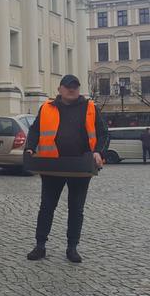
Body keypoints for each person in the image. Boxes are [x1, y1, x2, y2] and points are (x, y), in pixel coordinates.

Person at [25, 74, 108, 263]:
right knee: (46, 207)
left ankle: (72, 247)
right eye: (68, 86)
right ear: (59, 89)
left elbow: (103, 133)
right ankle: (40, 245)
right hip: (52, 165)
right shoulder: (46, 107)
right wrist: (30, 147)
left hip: (81, 166)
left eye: (75, 87)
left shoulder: (90, 108)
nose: (72, 89)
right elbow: (35, 130)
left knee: (76, 209)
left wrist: (99, 152)